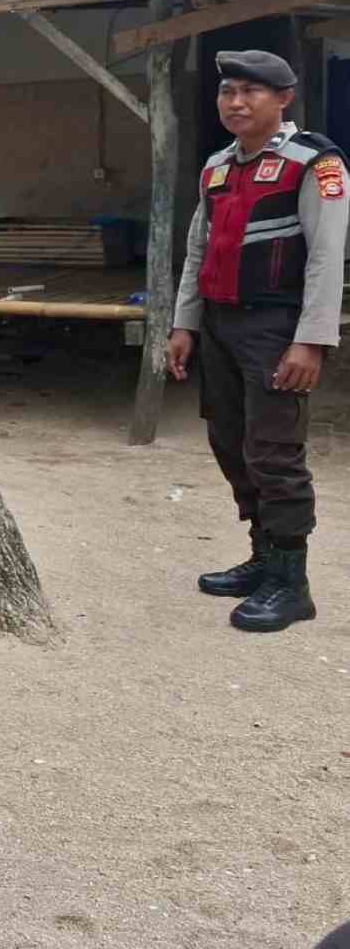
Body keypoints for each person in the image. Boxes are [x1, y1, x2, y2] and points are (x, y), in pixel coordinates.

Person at [167, 50, 347, 633]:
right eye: (228, 92)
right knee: (230, 440)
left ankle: (292, 585)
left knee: (274, 451)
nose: (236, 102)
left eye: (251, 91)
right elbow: (197, 251)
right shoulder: (217, 167)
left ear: (284, 98)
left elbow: (326, 258)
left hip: (276, 328)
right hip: (220, 325)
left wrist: (311, 341)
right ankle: (263, 558)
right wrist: (184, 324)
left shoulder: (314, 163)